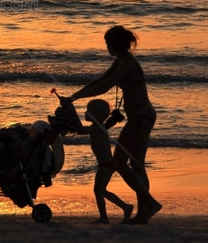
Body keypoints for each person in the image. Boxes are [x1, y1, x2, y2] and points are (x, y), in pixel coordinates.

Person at [60, 25, 162, 224]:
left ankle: (151, 204)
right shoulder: (122, 60)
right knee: (137, 164)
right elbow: (101, 80)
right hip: (143, 117)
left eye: (107, 43)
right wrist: (74, 96)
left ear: (115, 44)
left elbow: (105, 87)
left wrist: (75, 97)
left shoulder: (127, 64)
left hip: (140, 119)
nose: (106, 47)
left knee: (120, 162)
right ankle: (143, 213)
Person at [71, 99, 134, 224]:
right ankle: (124, 208)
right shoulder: (99, 127)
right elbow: (80, 130)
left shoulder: (96, 128)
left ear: (96, 115)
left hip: (106, 164)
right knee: (101, 190)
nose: (85, 113)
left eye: (88, 111)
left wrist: (71, 112)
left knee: (99, 190)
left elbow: (80, 130)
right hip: (107, 164)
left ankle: (109, 215)